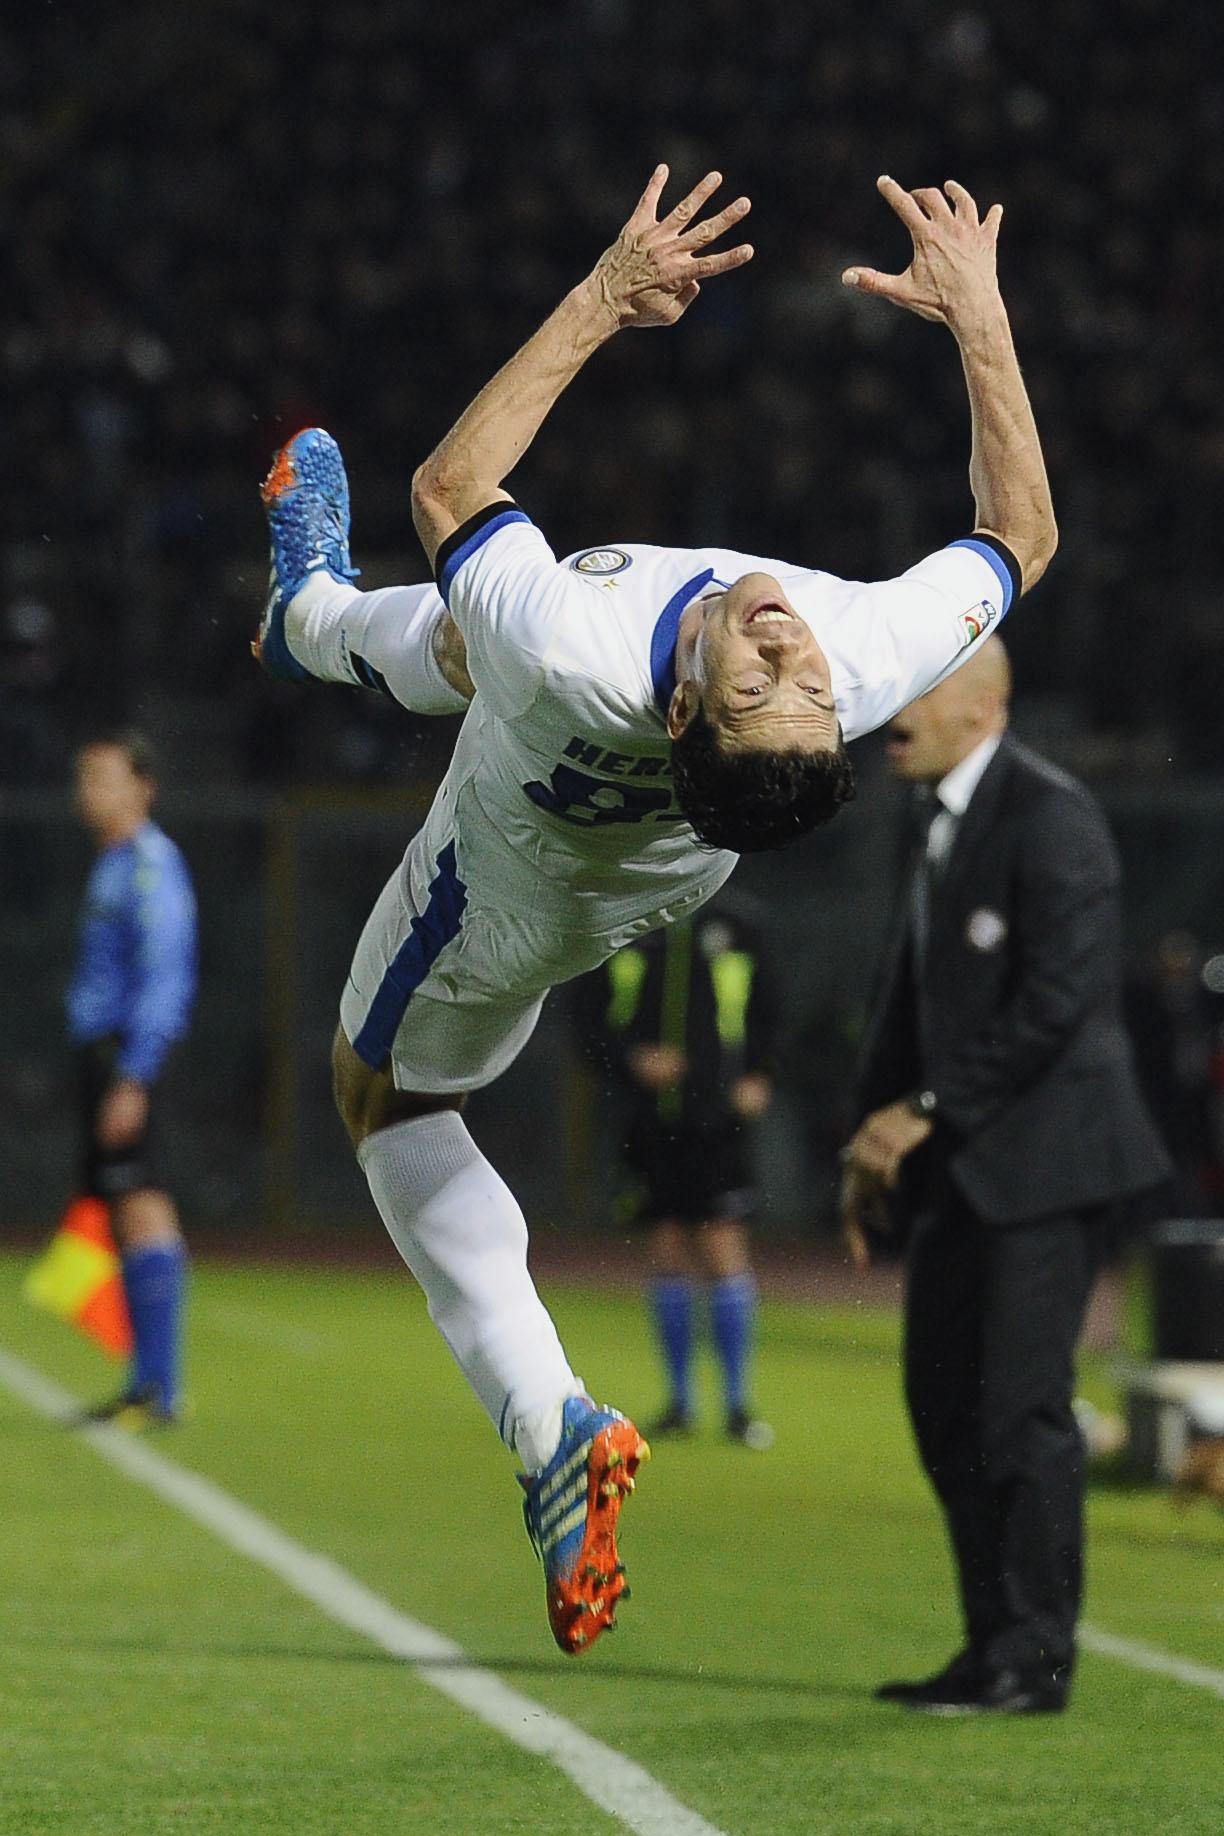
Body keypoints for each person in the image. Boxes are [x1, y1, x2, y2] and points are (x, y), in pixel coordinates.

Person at [256, 165, 1056, 1655]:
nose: (791, 649)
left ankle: (544, 1418)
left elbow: (448, 490)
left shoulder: (574, 649)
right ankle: (305, 611)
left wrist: (611, 296)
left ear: (685, 704)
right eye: (797, 679)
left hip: (505, 894)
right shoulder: (858, 661)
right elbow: (1021, 538)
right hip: (658, 853)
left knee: (382, 1103)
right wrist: (982, 325)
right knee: (455, 633)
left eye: (767, 675)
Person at [840, 638, 1169, 1715]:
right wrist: (868, 1140)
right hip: (966, 1174)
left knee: (1020, 1412)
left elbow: (1055, 1005)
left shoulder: (1052, 814)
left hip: (1050, 1165)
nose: (896, 704)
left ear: (982, 708)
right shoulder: (933, 821)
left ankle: (1034, 1656)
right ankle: (988, 1645)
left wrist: (922, 1113)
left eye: (922, 686)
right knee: (941, 1407)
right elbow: (911, 1004)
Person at [572, 898, 778, 1447]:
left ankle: (737, 1405)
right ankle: (680, 1402)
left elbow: (771, 1012)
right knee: (666, 1249)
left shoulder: (740, 927)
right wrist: (630, 1060)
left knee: (723, 1249)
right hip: (648, 1125)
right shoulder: (628, 922)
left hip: (721, 1123)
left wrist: (761, 1075)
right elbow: (586, 1019)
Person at [67, 730, 198, 1426]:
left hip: (129, 1056)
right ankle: (143, 1382)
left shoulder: (149, 865)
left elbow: (164, 974)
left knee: (143, 1202)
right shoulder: (113, 862)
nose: (91, 792)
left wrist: (135, 1075)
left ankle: (161, 1387)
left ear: (143, 787)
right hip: (105, 1054)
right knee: (123, 1208)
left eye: (106, 778)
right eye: (85, 779)